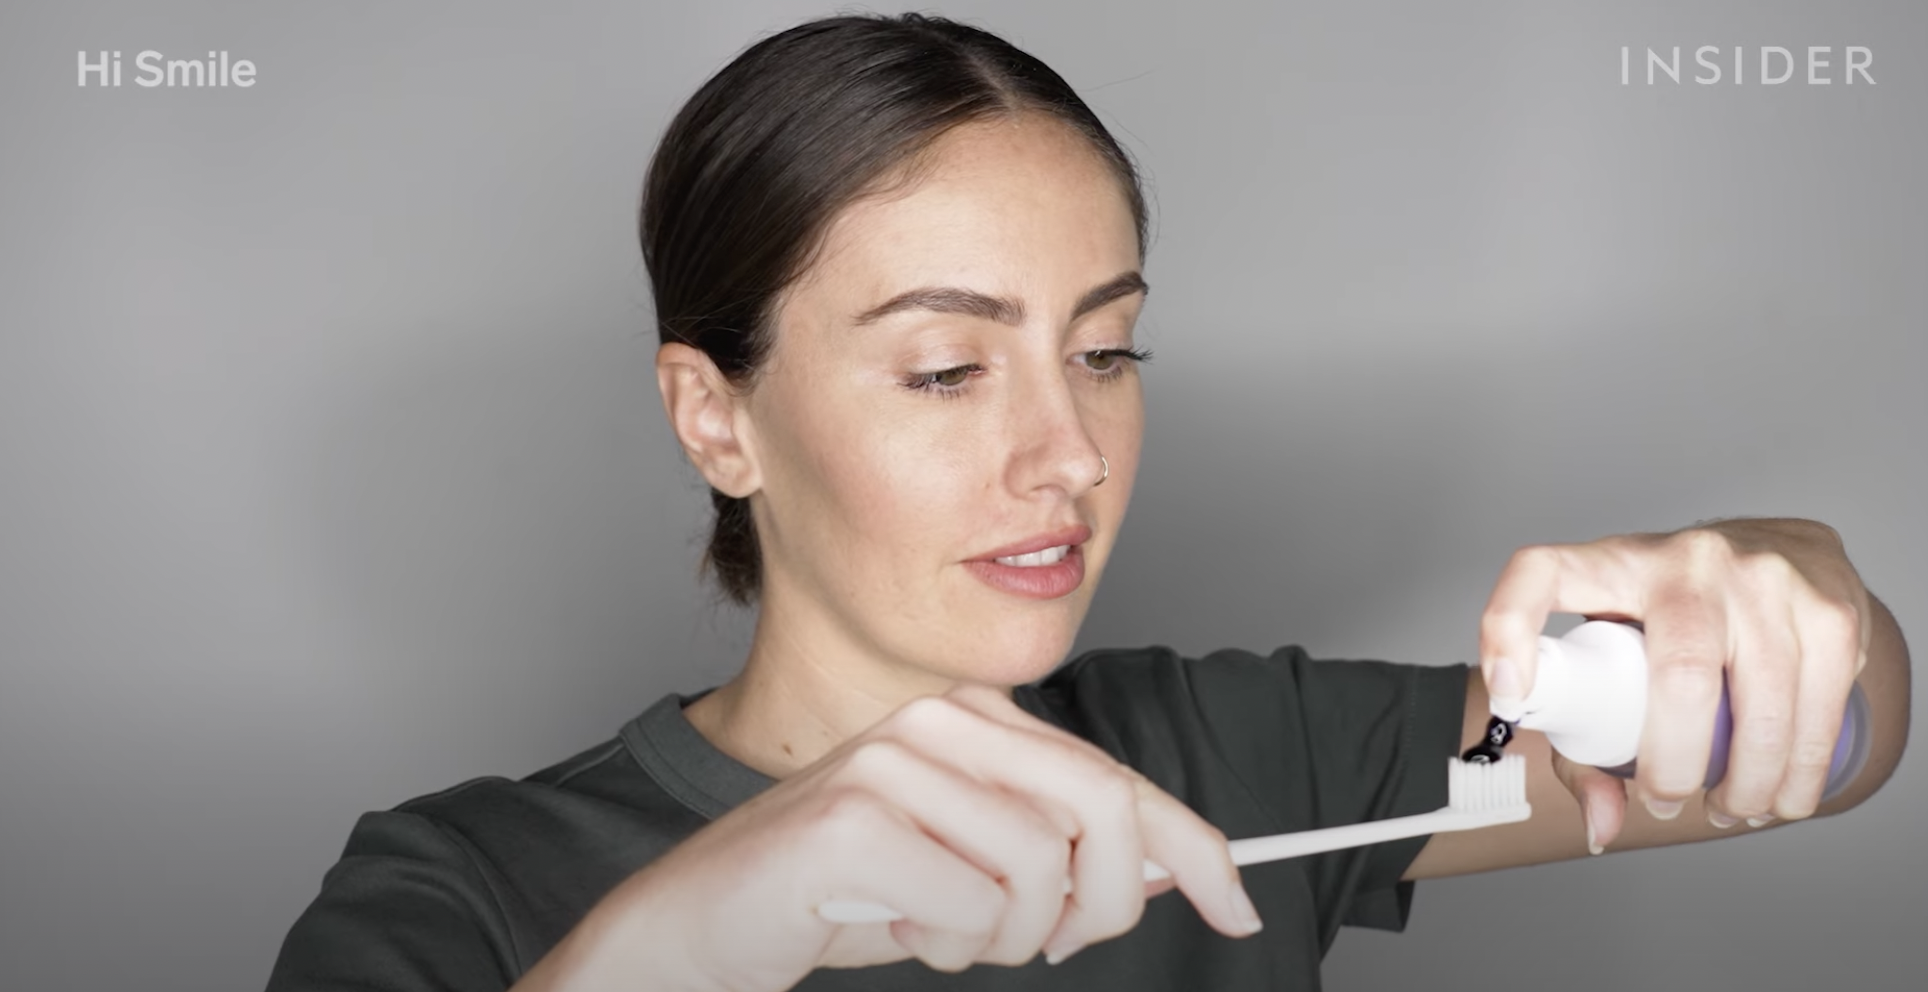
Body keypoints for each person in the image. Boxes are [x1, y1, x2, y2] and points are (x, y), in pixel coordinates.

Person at [263, 12, 1912, 992]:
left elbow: (1831, 749)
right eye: (944, 371)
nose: (1071, 454)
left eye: (1107, 352)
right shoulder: (456, 888)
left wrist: (1789, 597)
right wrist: (680, 947)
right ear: (718, 421)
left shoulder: (1244, 762)